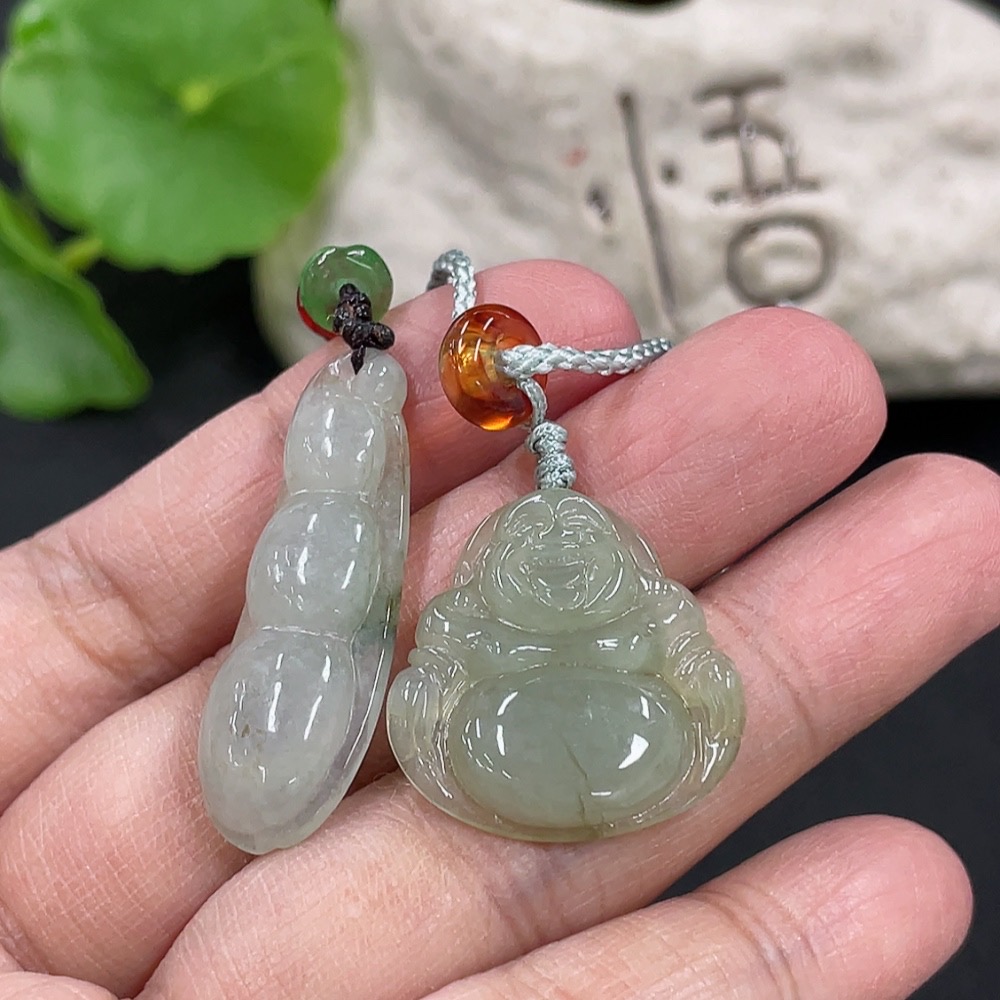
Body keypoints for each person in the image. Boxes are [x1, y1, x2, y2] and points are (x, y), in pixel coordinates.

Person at [0, 261, 996, 1000]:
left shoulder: (643, 611)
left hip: (618, 712)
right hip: (496, 713)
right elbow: (440, 666)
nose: (560, 560)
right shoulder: (465, 612)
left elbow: (686, 664)